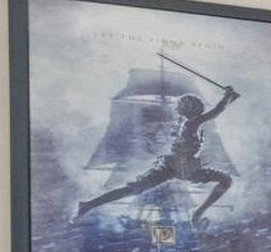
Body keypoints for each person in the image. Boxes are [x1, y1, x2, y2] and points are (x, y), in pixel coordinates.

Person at [76, 85, 239, 218]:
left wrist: (229, 98)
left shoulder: (187, 122)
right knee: (226, 180)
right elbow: (216, 111)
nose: (177, 108)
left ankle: (88, 205)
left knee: (133, 189)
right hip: (185, 166)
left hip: (171, 165)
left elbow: (216, 111)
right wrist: (226, 97)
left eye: (180, 105)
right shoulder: (192, 123)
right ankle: (197, 213)